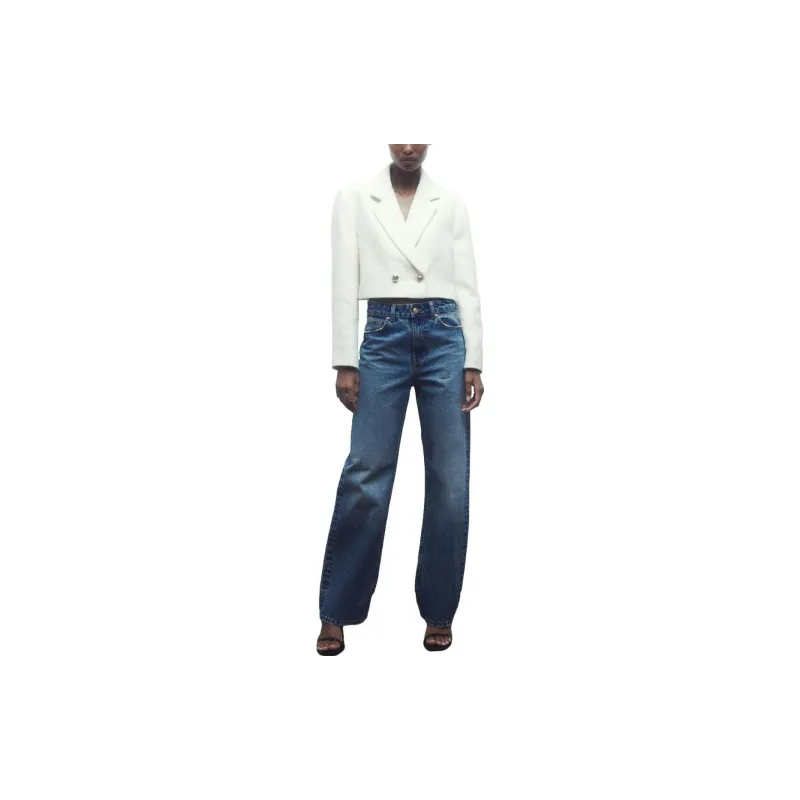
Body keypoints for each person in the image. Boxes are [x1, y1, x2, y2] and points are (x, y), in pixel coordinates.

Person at [316, 144, 485, 655]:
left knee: (450, 481)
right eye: (400, 135)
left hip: (444, 335)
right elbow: (343, 277)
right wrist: (345, 359)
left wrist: (474, 359)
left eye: (419, 136)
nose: (409, 146)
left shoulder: (449, 202)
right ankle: (336, 609)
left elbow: (466, 283)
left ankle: (440, 610)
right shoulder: (353, 197)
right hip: (382, 333)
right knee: (366, 473)